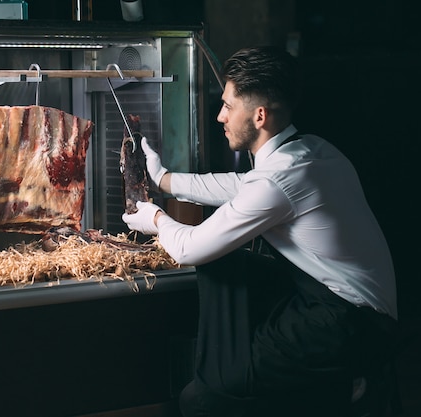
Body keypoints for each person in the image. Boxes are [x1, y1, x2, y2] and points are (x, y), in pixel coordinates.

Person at [122, 46, 399, 417]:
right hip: (347, 311)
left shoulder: (279, 180)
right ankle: (333, 384)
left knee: (203, 400)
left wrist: (155, 219)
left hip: (349, 327)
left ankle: (338, 383)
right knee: (229, 266)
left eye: (228, 106)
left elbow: (190, 249)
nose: (220, 116)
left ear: (259, 115)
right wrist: (163, 179)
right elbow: (241, 184)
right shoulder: (313, 150)